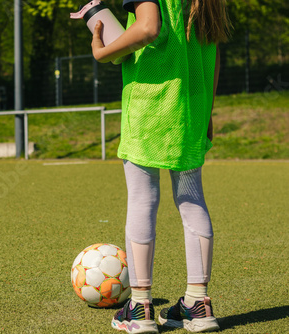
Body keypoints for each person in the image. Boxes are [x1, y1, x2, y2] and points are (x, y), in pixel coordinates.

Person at [91, 0, 230, 333]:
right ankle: (197, 304)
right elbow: (213, 50)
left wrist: (102, 50)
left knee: (142, 198)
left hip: (151, 105)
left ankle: (139, 307)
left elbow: (149, 27)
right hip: (191, 106)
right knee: (192, 198)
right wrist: (208, 109)